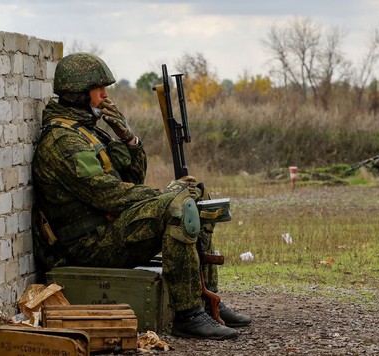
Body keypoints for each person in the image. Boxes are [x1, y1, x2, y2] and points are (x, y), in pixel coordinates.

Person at [31, 52, 251, 340]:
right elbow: (106, 195)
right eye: (100, 91)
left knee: (196, 196)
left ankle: (207, 303)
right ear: (78, 95)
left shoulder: (88, 133)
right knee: (178, 207)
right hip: (88, 246)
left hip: (107, 231)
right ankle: (188, 315)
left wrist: (128, 138)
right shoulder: (64, 140)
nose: (106, 97)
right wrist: (166, 193)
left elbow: (133, 178)